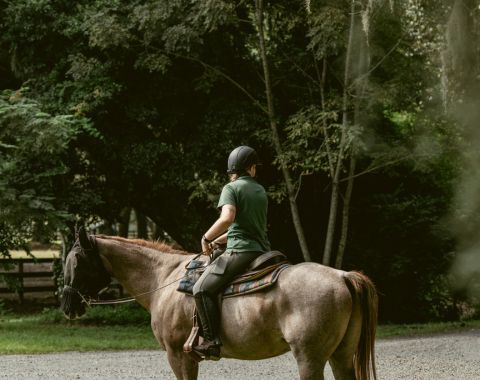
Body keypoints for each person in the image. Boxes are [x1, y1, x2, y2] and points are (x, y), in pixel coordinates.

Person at [192, 145, 271, 360]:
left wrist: (206, 238)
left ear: (232, 170)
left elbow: (227, 218)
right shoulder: (259, 190)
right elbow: (245, 227)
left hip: (241, 251)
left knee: (201, 288)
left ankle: (211, 342)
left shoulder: (232, 187)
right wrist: (219, 240)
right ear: (252, 168)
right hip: (260, 250)